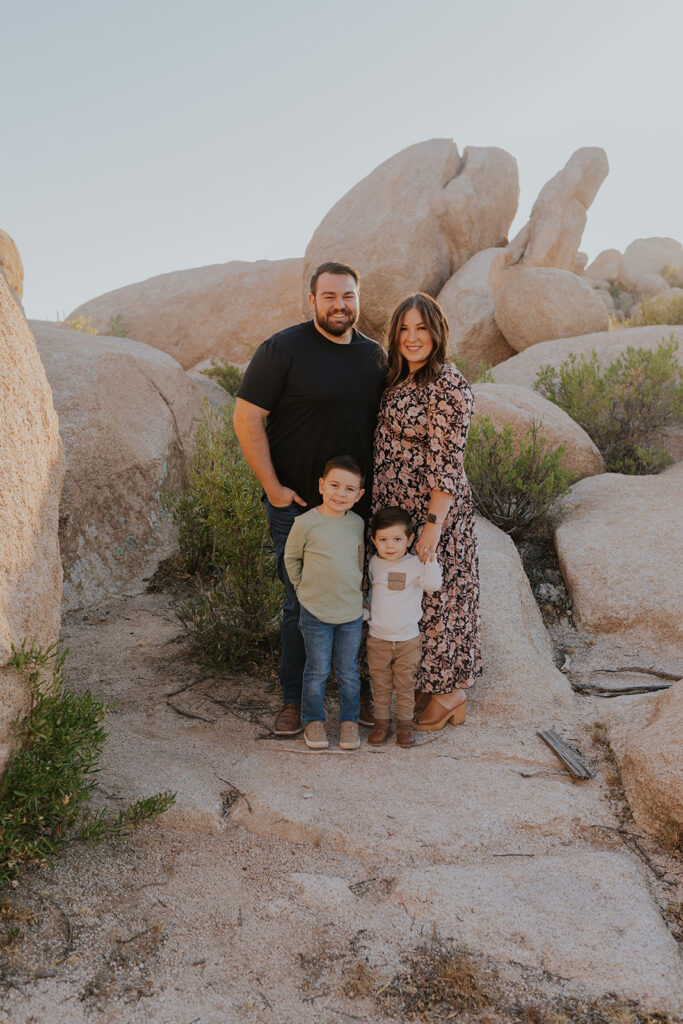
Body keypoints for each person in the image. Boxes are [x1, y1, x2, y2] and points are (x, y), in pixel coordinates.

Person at [233, 262, 386, 736]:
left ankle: (356, 695)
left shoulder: (375, 356)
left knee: (360, 597)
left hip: (359, 511)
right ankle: (294, 700)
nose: (340, 305)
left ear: (359, 298)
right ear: (313, 299)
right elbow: (246, 419)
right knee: (301, 605)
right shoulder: (283, 349)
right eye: (330, 296)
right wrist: (276, 491)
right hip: (298, 508)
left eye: (348, 296)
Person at [371, 293, 481, 730]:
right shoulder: (401, 377)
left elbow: (448, 461)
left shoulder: (448, 384)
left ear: (437, 332)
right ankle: (423, 681)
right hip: (399, 513)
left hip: (433, 513)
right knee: (410, 601)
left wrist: (433, 525)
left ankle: (450, 692)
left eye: (422, 328)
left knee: (441, 601)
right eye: (404, 329)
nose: (412, 338)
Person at [283, 456, 366, 750]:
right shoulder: (305, 523)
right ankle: (314, 720)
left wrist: (357, 593)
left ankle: (349, 721)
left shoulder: (357, 524)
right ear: (321, 485)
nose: (340, 494)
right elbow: (291, 558)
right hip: (315, 610)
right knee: (317, 670)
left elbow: (358, 562)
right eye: (334, 485)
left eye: (349, 489)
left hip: (350, 613)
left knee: (347, 671)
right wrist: (301, 589)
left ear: (359, 496)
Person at [365, 506, 443, 748]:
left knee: (405, 684)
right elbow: (373, 594)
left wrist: (430, 561)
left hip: (408, 639)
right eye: (383, 539)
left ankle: (405, 725)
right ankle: (381, 723)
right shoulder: (374, 563)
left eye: (397, 539)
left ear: (409, 539)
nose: (390, 545)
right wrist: (367, 612)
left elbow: (433, 586)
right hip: (378, 638)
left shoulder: (414, 564)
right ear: (374, 540)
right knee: (379, 683)